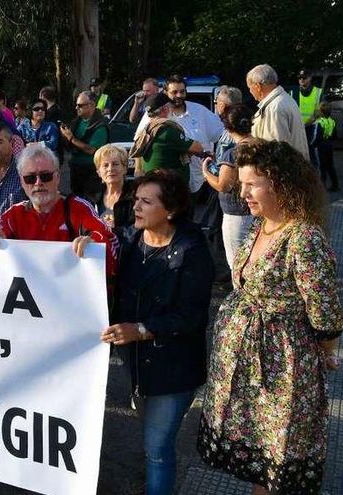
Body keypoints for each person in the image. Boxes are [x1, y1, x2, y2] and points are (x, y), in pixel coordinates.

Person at [198, 140, 342, 495]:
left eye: (252, 184)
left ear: (280, 183)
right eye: (242, 183)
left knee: (279, 459)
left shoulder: (303, 237)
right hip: (253, 370)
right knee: (262, 463)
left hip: (283, 369)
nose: (241, 192)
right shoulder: (261, 225)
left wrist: (327, 351)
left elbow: (325, 311)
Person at [103, 169, 214, 495]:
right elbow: (96, 250)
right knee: (151, 435)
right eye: (136, 199)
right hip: (139, 367)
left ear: (171, 210)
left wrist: (140, 330)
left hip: (174, 369)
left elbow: (191, 317)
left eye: (146, 201)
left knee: (157, 448)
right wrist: (85, 244)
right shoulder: (129, 239)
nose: (136, 206)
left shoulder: (192, 252)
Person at [0, 145, 118, 280]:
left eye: (45, 176)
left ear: (58, 177)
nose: (38, 183)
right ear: (22, 182)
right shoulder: (12, 216)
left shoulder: (78, 208)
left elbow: (109, 242)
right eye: (30, 178)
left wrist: (94, 241)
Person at [202, 104, 254, 269]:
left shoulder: (232, 154)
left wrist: (206, 172)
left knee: (237, 264)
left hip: (237, 213)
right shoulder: (263, 145)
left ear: (227, 127)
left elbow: (224, 185)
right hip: (261, 210)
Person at [131, 92, 206, 183]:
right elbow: (198, 148)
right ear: (165, 108)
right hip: (169, 187)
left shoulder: (148, 129)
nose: (172, 110)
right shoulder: (167, 130)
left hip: (155, 182)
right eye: (171, 107)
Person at [246, 64, 309, 159]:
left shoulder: (274, 108)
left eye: (250, 88)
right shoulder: (285, 100)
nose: (250, 92)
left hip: (283, 171)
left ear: (257, 86)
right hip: (296, 167)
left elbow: (276, 151)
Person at [59, 91, 109, 201]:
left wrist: (71, 138)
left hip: (91, 172)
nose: (77, 108)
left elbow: (92, 150)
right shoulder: (76, 122)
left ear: (91, 105)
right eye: (76, 105)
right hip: (76, 170)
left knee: (90, 203)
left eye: (80, 105)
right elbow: (69, 145)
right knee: (76, 202)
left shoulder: (100, 125)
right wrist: (65, 137)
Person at [93, 144, 134, 246]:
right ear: (98, 172)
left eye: (115, 164)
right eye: (105, 165)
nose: (110, 169)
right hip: (98, 253)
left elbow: (135, 229)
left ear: (125, 168)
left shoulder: (135, 196)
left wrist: (111, 232)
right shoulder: (92, 197)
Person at [317, 102, 338, 191]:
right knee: (330, 166)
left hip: (321, 145)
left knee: (322, 167)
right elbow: (335, 135)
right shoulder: (332, 121)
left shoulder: (319, 122)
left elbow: (317, 136)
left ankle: (322, 186)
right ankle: (335, 185)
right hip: (329, 145)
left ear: (321, 111)